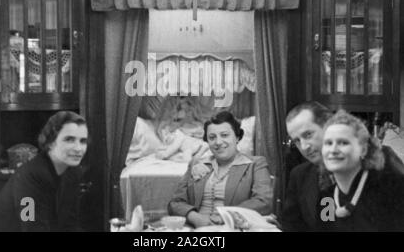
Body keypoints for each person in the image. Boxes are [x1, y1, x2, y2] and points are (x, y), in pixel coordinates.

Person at [282, 101, 404, 231]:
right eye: (297, 140)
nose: (304, 147)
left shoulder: (382, 161)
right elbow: (294, 226)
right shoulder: (302, 176)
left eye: (308, 135)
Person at [0, 111, 88, 231]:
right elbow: (32, 227)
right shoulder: (29, 176)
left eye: (82, 141)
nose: (78, 148)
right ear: (50, 142)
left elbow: (70, 226)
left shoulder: (72, 173)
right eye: (69, 139)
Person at [168, 111, 273, 228]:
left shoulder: (255, 164)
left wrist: (227, 214)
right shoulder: (197, 163)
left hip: (233, 227)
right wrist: (195, 218)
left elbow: (264, 201)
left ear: (237, 137)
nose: (218, 142)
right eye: (212, 137)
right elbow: (175, 202)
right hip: (197, 228)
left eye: (224, 135)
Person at [319, 110, 404, 231]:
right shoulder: (326, 195)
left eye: (343, 142)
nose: (333, 150)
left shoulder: (391, 188)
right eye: (328, 143)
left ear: (363, 150)